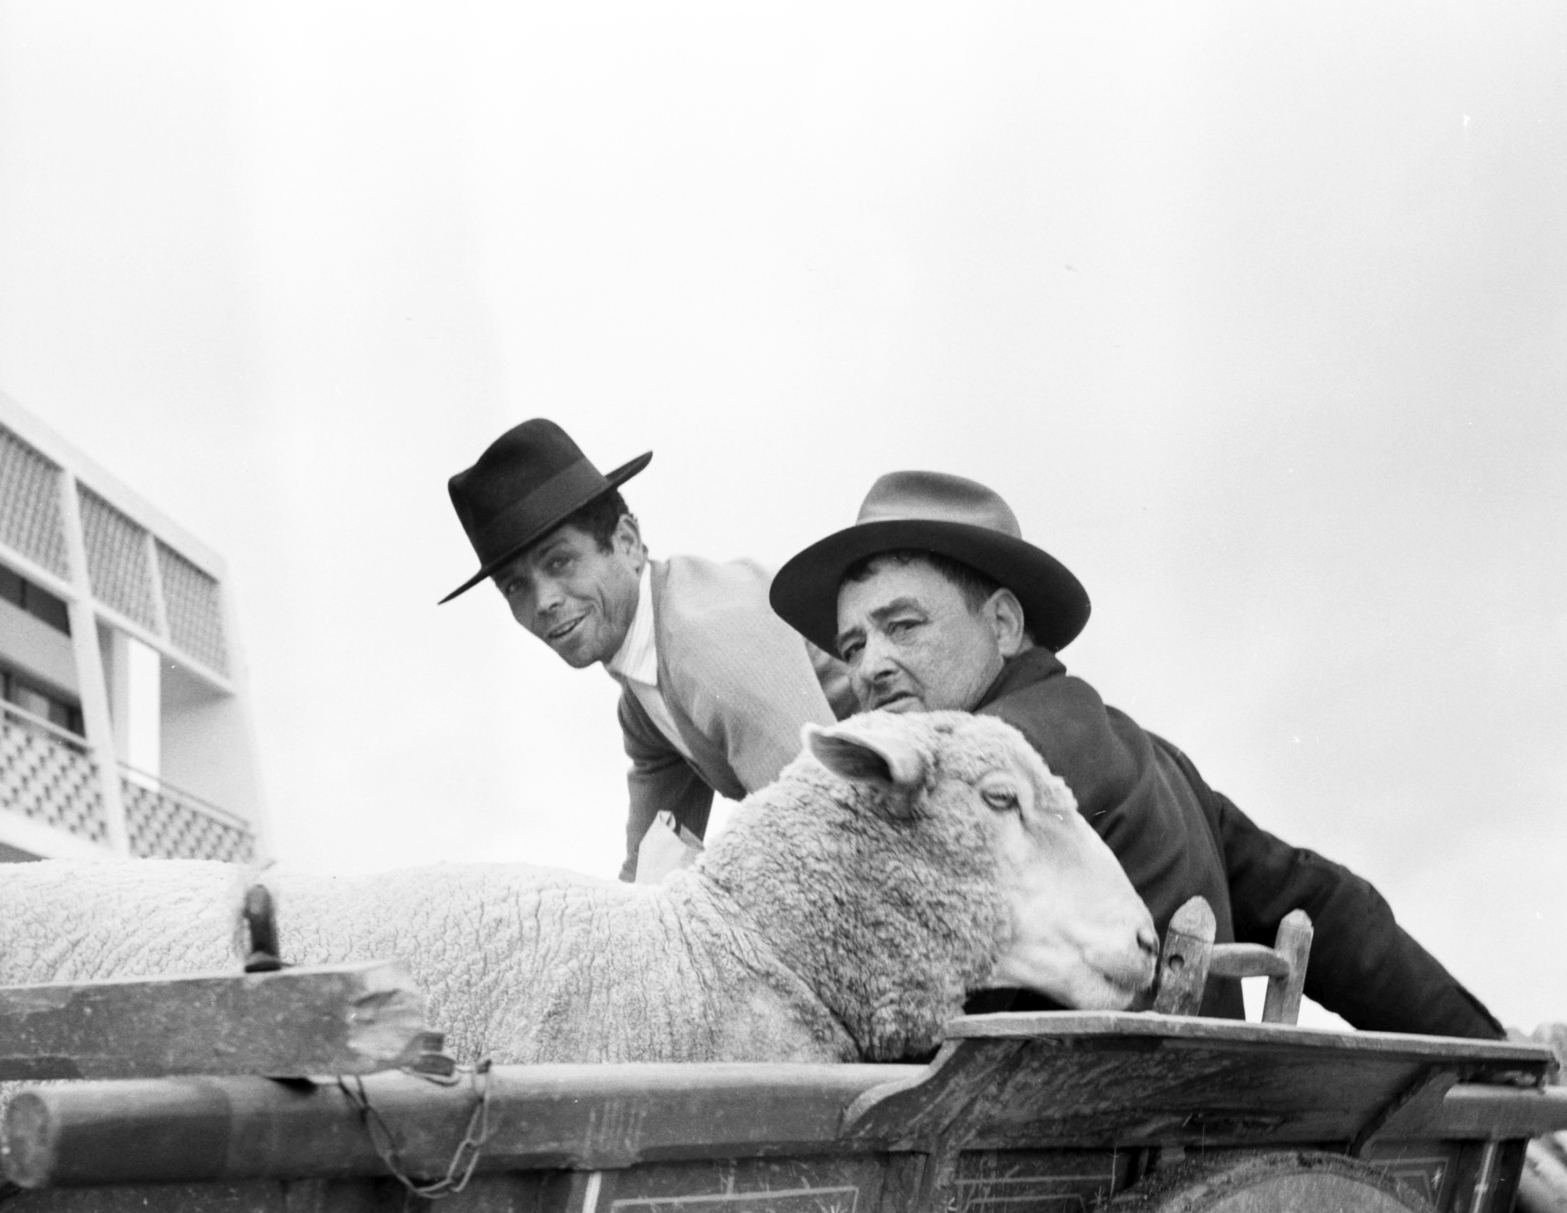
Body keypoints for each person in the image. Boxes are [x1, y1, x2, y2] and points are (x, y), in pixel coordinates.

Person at [769, 470, 1503, 1037]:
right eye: (854, 645)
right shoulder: (1156, 760)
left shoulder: (982, 778)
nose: (870, 667)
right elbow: (1327, 908)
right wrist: (1490, 1051)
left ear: (1001, 623)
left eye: (903, 625)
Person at [442, 418, 853, 879]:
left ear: (627, 543)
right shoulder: (641, 704)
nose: (544, 601)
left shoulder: (707, 640)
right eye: (515, 587)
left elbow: (830, 835)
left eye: (560, 561)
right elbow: (648, 879)